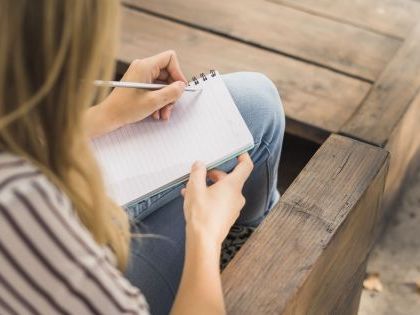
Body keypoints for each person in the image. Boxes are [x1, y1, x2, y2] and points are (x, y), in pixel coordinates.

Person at [0, 1, 285, 314]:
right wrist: (206, 235)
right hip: (57, 253)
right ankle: (232, 254)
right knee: (237, 154)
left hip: (55, 226)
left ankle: (238, 241)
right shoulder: (19, 203)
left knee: (256, 104)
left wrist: (105, 115)